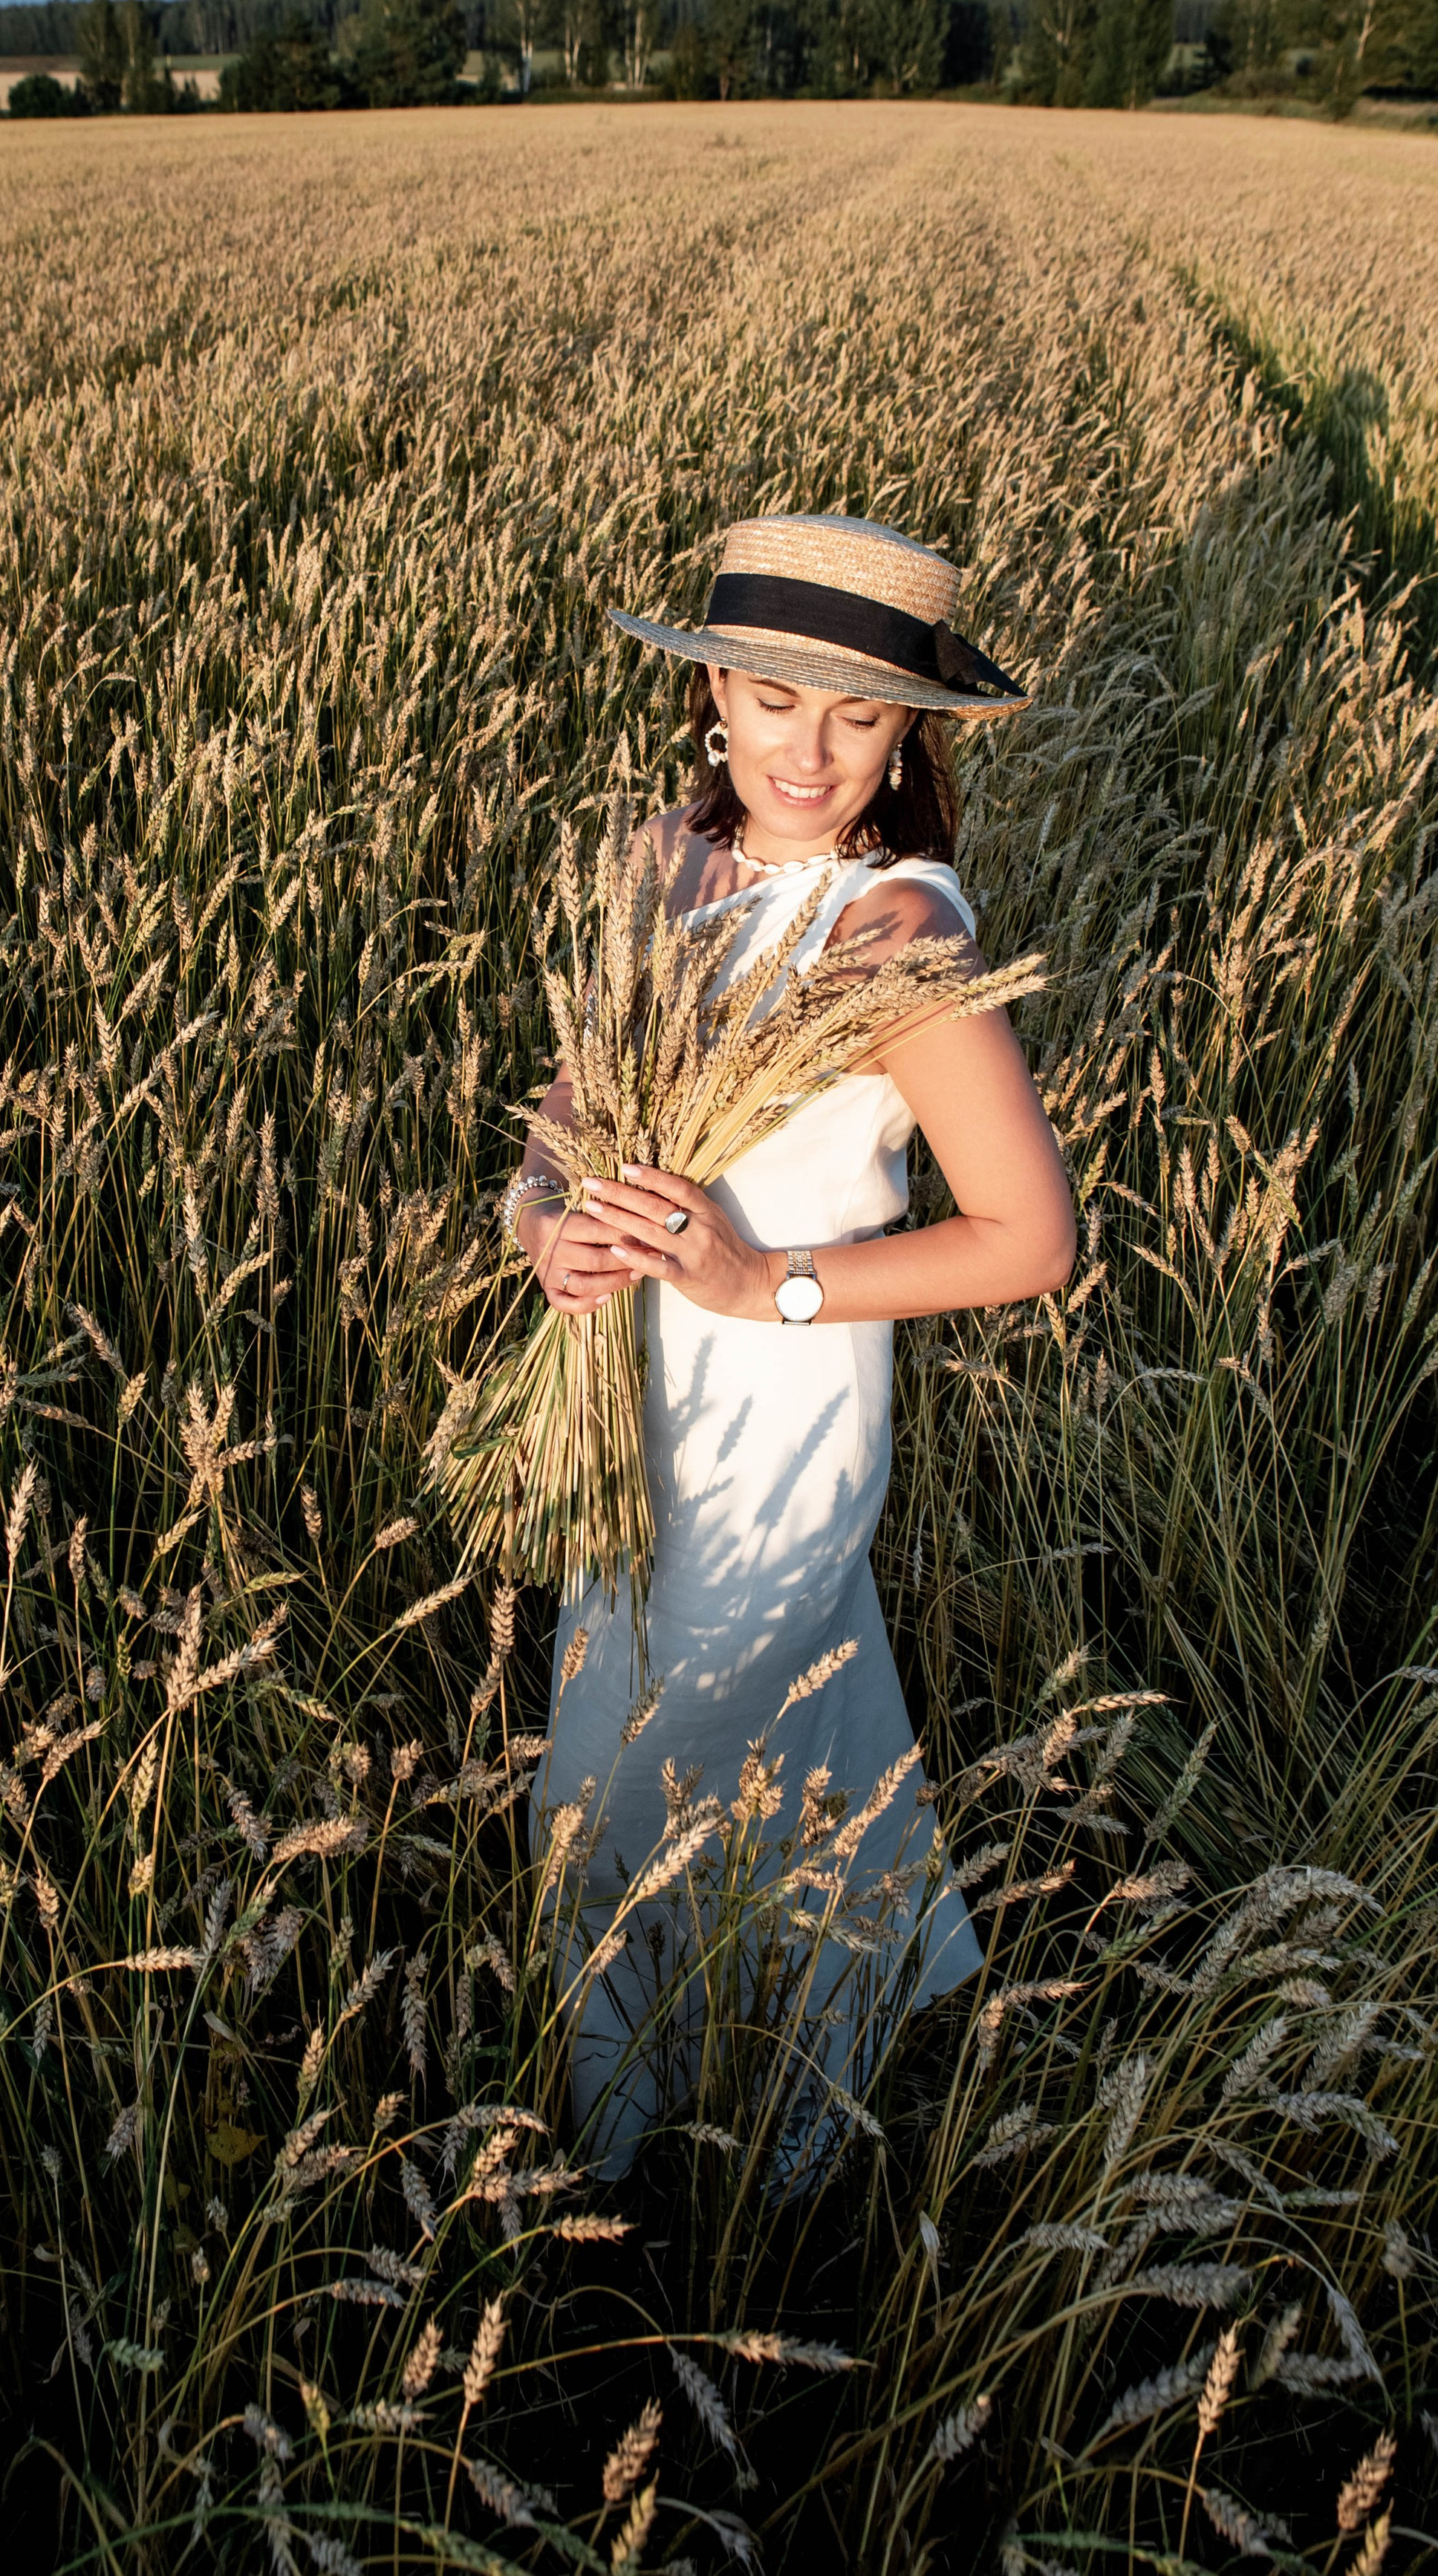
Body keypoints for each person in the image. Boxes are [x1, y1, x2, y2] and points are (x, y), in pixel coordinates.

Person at [505, 511, 1077, 2175]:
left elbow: (1030, 1238)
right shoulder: (664, 860)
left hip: (782, 1419)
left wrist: (764, 1283)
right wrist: (544, 1228)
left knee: (632, 1786)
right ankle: (694, 2111)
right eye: (771, 699)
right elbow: (564, 1120)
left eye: (855, 714)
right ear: (713, 695)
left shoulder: (900, 938)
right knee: (689, 1744)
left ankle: (721, 2147)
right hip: (623, 1399)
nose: (807, 754)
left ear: (908, 732)